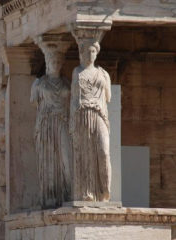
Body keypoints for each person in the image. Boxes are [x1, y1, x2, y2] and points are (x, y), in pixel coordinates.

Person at [30, 44, 72, 208]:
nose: (55, 63)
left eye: (57, 61)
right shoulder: (39, 84)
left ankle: (67, 193)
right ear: (47, 62)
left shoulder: (67, 83)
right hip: (46, 124)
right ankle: (49, 197)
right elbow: (34, 103)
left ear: (61, 64)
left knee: (65, 158)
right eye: (52, 60)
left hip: (63, 122)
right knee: (48, 159)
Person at [70, 40, 111, 202]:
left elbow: (108, 97)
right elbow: (74, 99)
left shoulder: (103, 73)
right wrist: (72, 123)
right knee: (85, 153)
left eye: (93, 51)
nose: (90, 55)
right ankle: (87, 193)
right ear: (81, 53)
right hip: (82, 115)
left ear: (97, 53)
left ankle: (105, 191)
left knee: (103, 151)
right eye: (87, 51)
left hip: (100, 114)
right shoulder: (77, 72)